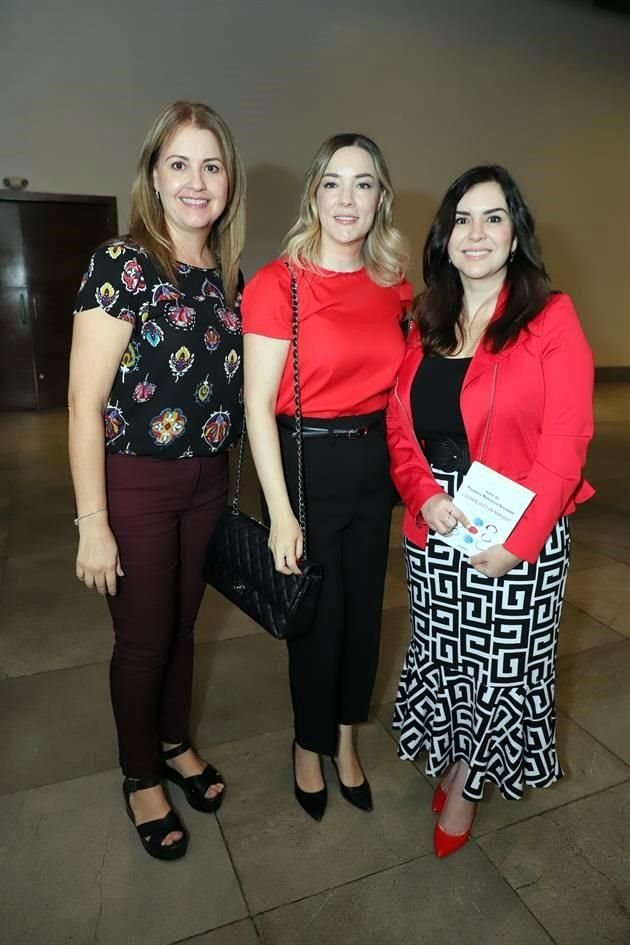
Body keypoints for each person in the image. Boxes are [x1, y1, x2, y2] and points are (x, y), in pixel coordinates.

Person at [386, 164, 594, 857]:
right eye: (463, 220)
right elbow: (399, 425)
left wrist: (523, 541)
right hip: (439, 526)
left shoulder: (550, 318)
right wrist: (423, 492)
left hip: (520, 529)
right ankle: (455, 757)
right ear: (445, 237)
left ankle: (469, 781)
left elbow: (567, 443)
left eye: (494, 217)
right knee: (446, 658)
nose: (476, 233)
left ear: (515, 235)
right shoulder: (426, 318)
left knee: (501, 670)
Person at [68, 101, 246, 860]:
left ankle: (175, 741)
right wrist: (92, 520)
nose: (196, 181)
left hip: (208, 480)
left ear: (228, 180)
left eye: (211, 165)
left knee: (181, 627)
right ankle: (140, 773)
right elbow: (84, 400)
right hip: (136, 482)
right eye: (179, 163)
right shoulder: (123, 263)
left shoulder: (222, 270)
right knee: (142, 639)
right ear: (153, 176)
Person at [241, 134, 411, 820]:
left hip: (374, 468)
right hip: (304, 466)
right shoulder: (275, 283)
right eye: (334, 182)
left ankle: (345, 739)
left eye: (363, 183)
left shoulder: (393, 282)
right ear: (314, 192)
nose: (348, 198)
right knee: (317, 616)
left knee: (364, 614)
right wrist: (280, 512)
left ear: (380, 198)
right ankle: (307, 744)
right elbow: (255, 403)